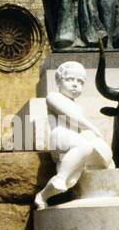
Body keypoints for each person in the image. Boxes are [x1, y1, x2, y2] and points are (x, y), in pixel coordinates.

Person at [34, 61, 113, 208]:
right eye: (70, 79)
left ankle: (42, 196)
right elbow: (72, 118)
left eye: (80, 82)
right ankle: (60, 177)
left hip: (76, 142)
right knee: (85, 144)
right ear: (58, 80)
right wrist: (93, 128)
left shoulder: (78, 105)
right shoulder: (53, 97)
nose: (75, 84)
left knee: (71, 181)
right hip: (61, 136)